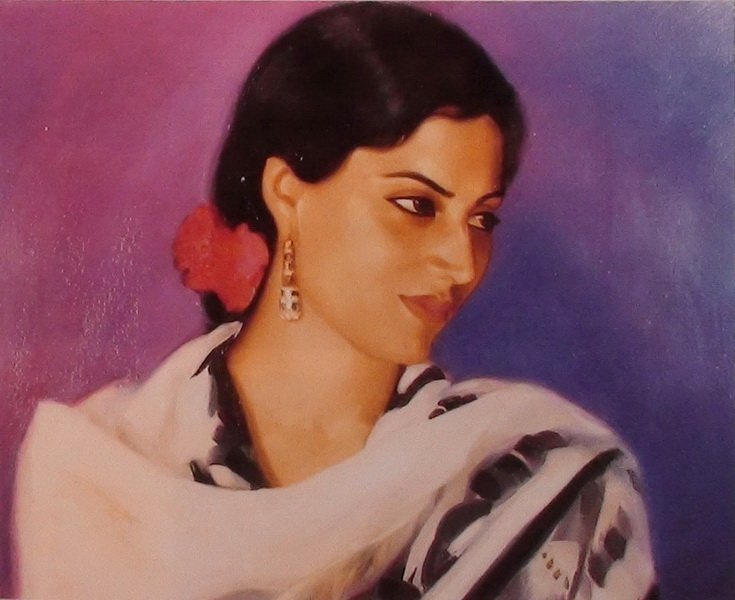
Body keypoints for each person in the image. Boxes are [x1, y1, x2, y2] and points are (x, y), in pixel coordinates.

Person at [12, 3, 657, 599]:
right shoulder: (105, 476)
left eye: (482, 219)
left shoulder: (544, 479)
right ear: (287, 192)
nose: (462, 263)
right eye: (416, 205)